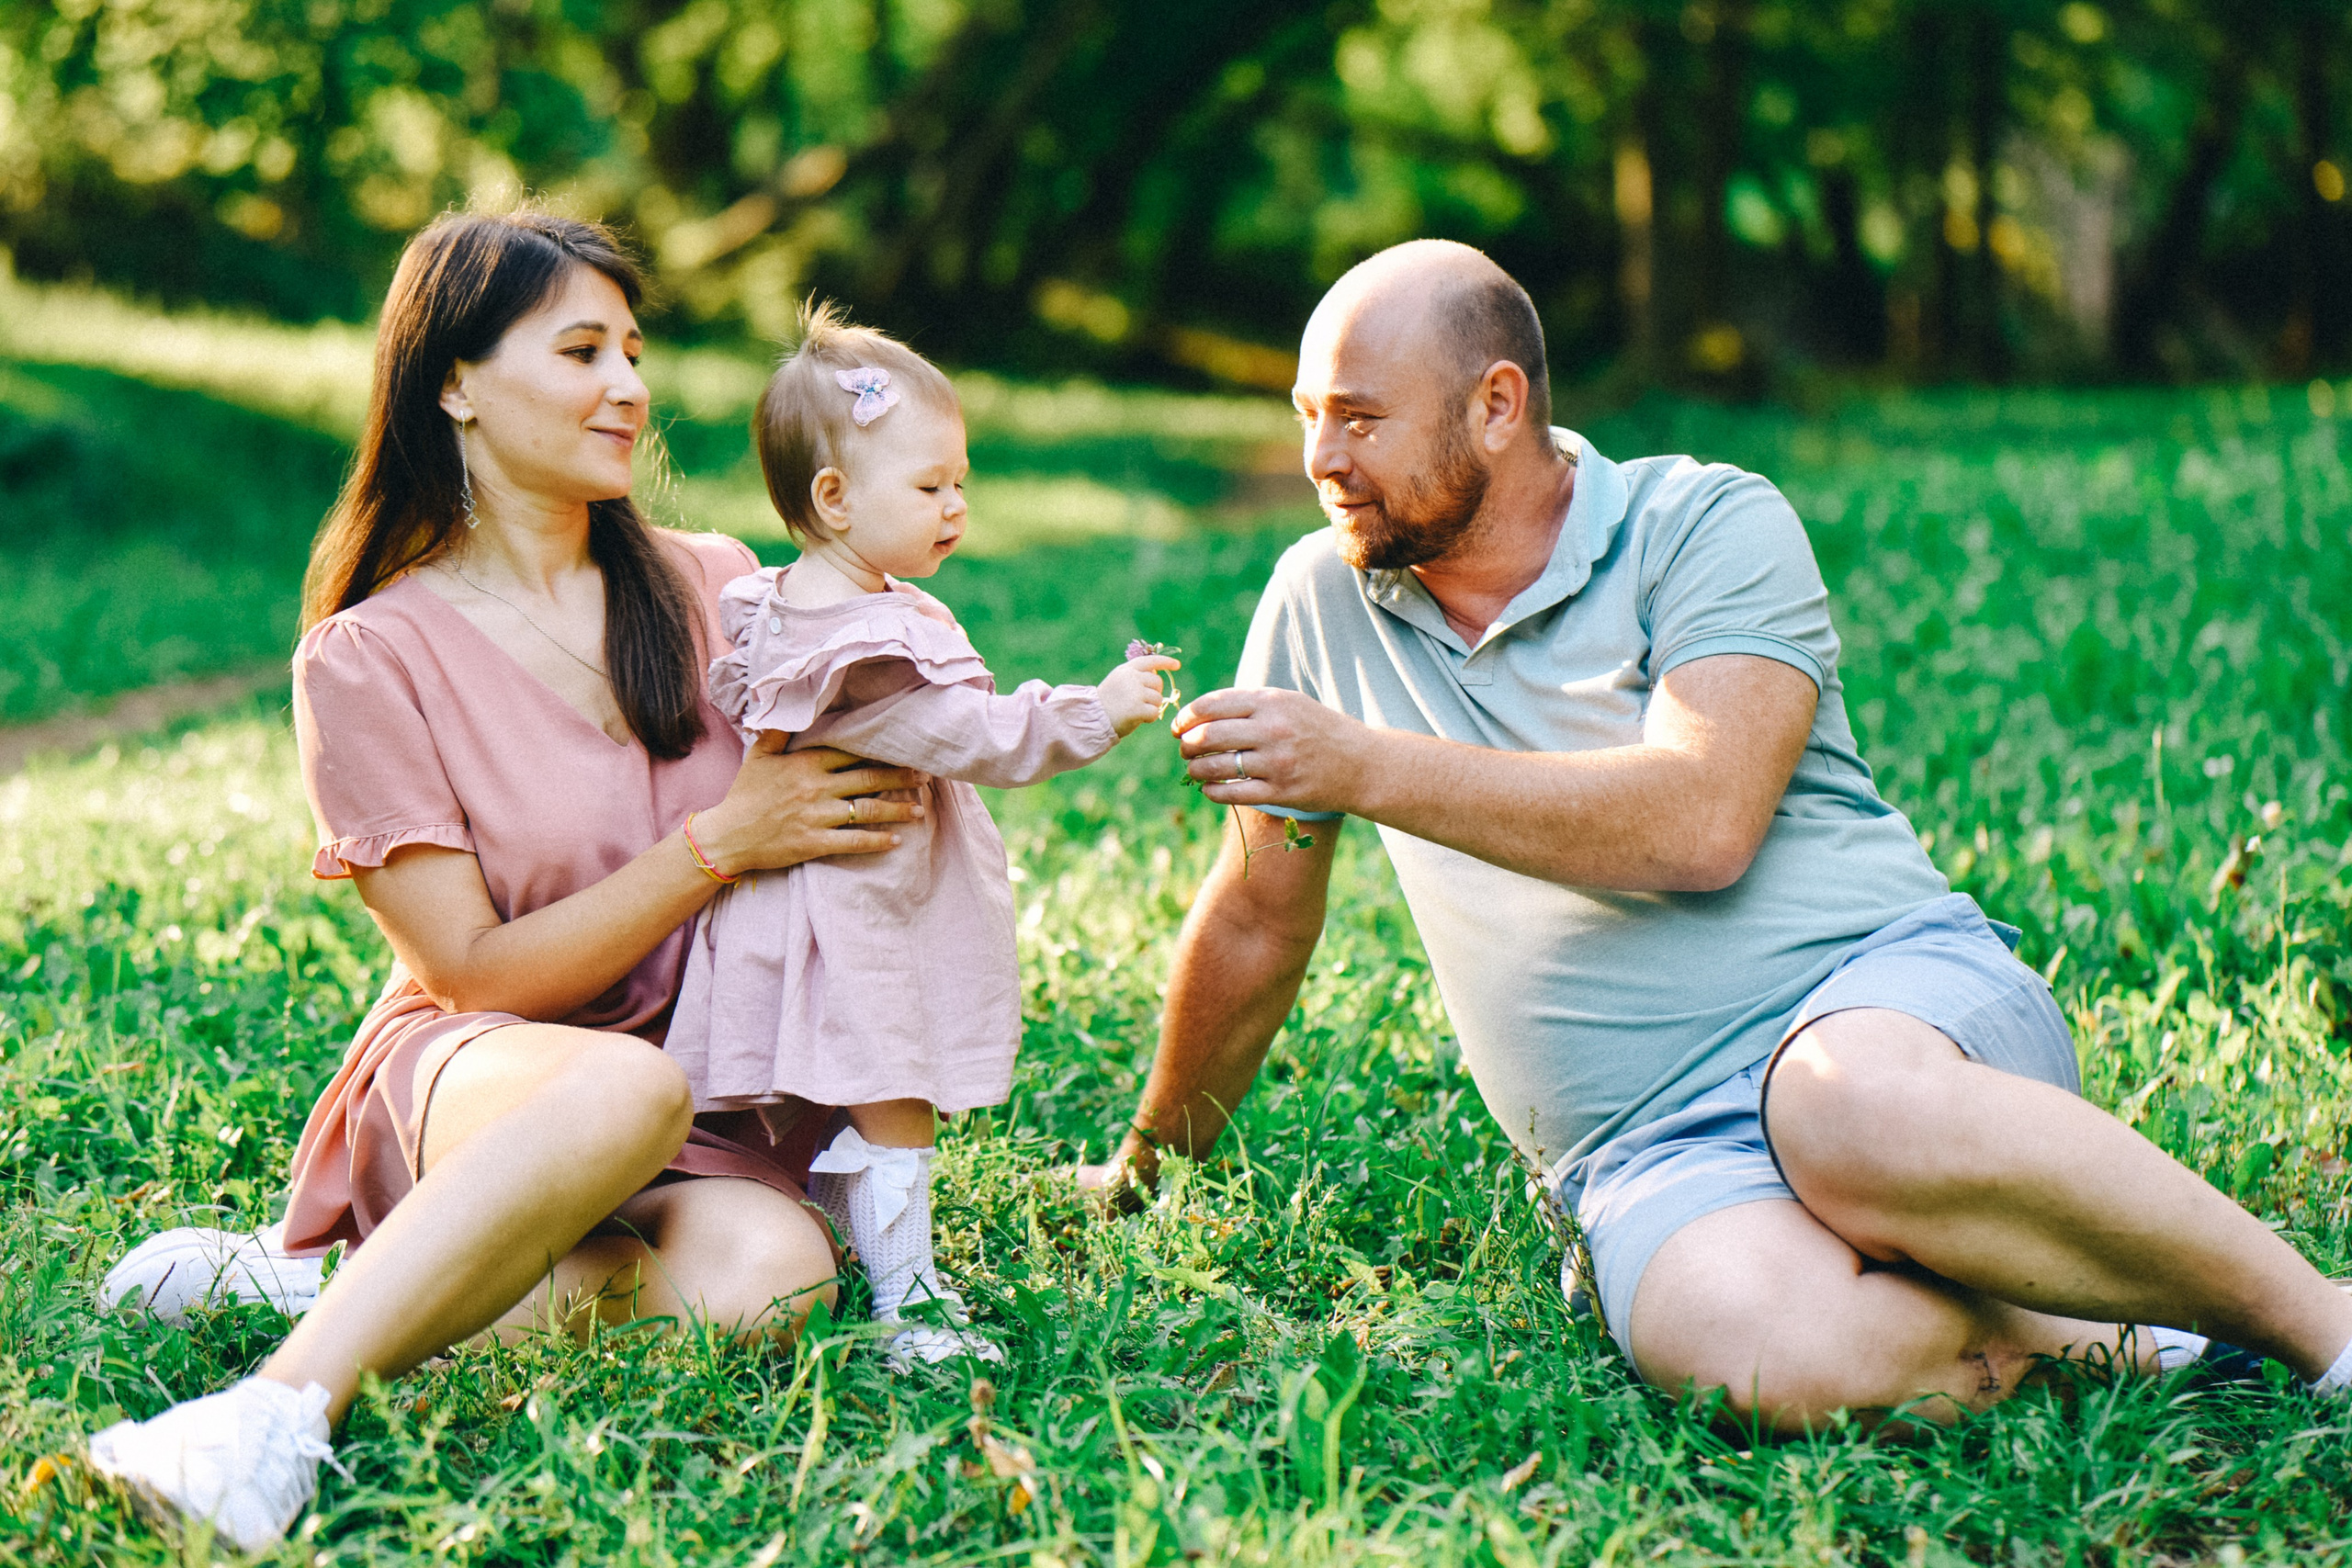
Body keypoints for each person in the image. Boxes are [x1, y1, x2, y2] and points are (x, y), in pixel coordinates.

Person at [1080, 238, 2352, 1429]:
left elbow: (1703, 821)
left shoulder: (1702, 522)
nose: (1321, 458)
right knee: (1757, 1350)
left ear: (1498, 405)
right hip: (1644, 1146)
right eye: (1308, 416)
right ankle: (2116, 1332)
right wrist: (1145, 1161)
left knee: (1840, 1109)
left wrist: (1363, 763)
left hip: (1879, 1007)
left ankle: (2322, 1325)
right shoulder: (1320, 602)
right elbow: (1258, 912)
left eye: (1359, 418)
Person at [86, 210, 928, 1551]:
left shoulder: (714, 585)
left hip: (701, 1085)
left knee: (770, 1282)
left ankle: (346, 1273)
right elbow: (466, 965)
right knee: (619, 1084)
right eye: (582, 348)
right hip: (487, 1060)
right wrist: (720, 843)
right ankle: (272, 1414)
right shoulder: (368, 656)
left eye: (635, 352)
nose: (629, 387)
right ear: (454, 382)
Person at [665, 301, 1178, 1365]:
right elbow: (981, 736)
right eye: (931, 487)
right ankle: (912, 1309)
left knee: (850, 1094)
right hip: (865, 918)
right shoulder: (871, 648)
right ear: (836, 498)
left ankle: (842, 1245)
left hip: (798, 910)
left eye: (962, 484)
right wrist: (1102, 707)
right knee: (898, 1103)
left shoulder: (780, 606)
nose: (956, 508)